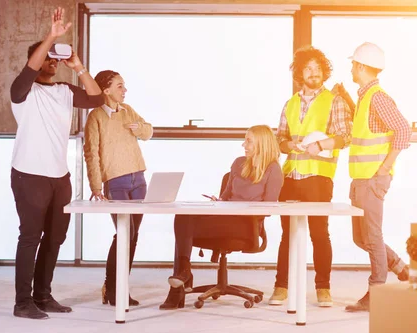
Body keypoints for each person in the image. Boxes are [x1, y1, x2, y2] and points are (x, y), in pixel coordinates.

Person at [9, 7, 103, 319]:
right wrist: (51, 36)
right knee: (30, 237)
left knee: (56, 238)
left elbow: (96, 99)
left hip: (59, 177)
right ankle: (23, 303)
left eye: (54, 57)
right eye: (46, 57)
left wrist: (78, 67)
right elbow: (29, 69)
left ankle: (43, 296)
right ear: (34, 61)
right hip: (29, 176)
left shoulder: (64, 91)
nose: (51, 62)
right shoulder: (22, 91)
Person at [159, 125, 283, 310]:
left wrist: (240, 209)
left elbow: (268, 208)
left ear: (262, 144)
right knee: (183, 216)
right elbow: (225, 196)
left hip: (245, 225)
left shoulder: (273, 170)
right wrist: (218, 202)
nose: (243, 144)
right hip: (224, 218)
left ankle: (179, 286)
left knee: (185, 227)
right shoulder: (239, 163)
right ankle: (183, 271)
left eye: (249, 141)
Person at [270, 46, 353, 308]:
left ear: (324, 72)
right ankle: (281, 286)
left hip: (318, 176)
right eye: (308, 68)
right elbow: (279, 140)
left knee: (319, 233)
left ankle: (323, 288)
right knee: (288, 235)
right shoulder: (290, 104)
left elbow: (345, 136)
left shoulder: (334, 101)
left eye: (318, 68)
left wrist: (322, 145)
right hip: (290, 176)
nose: (313, 73)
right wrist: (289, 144)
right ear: (300, 72)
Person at [337, 42, 411, 312]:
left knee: (372, 236)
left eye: (352, 65)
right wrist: (346, 97)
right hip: (360, 180)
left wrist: (383, 169)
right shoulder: (365, 98)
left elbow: (403, 131)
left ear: (359, 66)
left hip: (371, 180)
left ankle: (376, 292)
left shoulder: (378, 97)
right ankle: (402, 269)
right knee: (363, 239)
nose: (350, 69)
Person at [83, 70, 153, 306]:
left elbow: (148, 132)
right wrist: (95, 185)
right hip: (116, 182)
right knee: (125, 233)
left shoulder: (128, 110)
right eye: (120, 86)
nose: (125, 90)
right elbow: (91, 153)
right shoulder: (95, 118)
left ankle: (119, 289)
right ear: (106, 90)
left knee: (132, 237)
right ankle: (112, 290)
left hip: (138, 179)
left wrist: (139, 129)